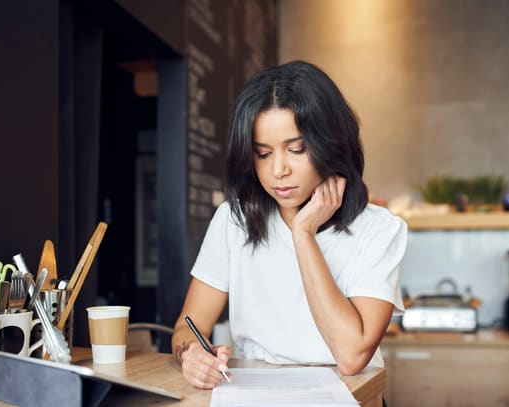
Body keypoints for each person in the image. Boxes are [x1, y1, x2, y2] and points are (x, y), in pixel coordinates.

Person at [171, 60, 407, 389]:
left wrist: (303, 232)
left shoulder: (378, 229)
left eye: (296, 149)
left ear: (331, 144)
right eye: (263, 154)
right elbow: (186, 328)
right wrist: (191, 354)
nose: (278, 170)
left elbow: (352, 356)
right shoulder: (233, 219)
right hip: (255, 394)